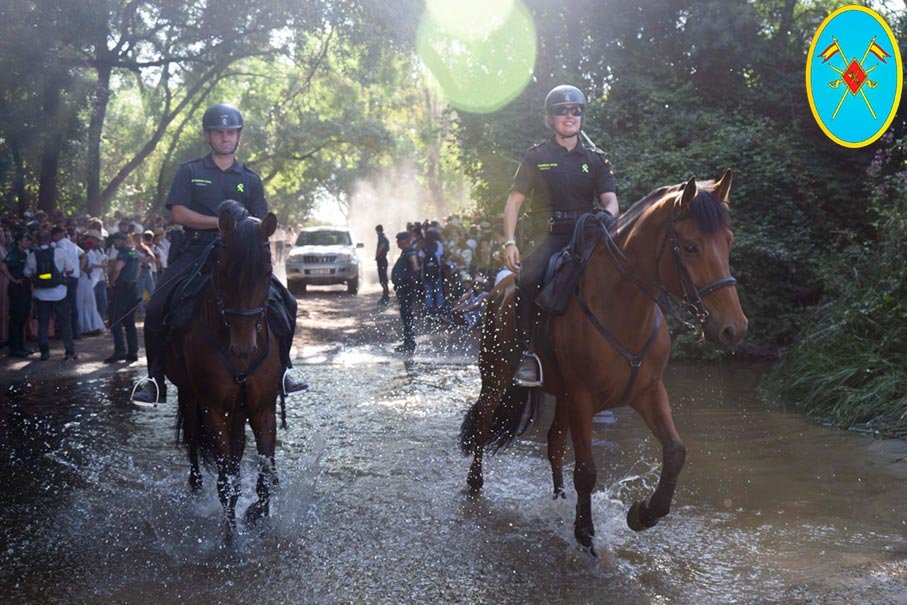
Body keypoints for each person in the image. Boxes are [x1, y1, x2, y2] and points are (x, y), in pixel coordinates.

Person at [131, 103, 306, 404]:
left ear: (238, 137)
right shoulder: (190, 171)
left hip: (238, 255)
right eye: (219, 132)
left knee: (287, 302)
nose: (225, 137)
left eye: (231, 132)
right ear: (208, 136)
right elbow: (179, 214)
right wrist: (222, 224)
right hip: (196, 249)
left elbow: (261, 222)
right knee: (158, 305)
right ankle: (154, 379)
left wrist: (239, 230)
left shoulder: (250, 178)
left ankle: (285, 371)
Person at [503, 85, 619, 387]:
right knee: (527, 280)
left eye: (576, 110)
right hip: (547, 235)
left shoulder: (596, 159)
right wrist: (510, 241)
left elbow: (610, 200)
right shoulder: (535, 156)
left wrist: (608, 215)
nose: (570, 115)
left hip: (587, 235)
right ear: (550, 118)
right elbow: (514, 202)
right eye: (562, 110)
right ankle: (528, 356)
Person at [24, 230, 76, 361]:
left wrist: (42, 276)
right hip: (60, 293)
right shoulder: (60, 252)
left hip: (41, 295)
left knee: (43, 324)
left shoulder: (32, 255)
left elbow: (27, 273)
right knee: (65, 324)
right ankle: (69, 351)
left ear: (37, 240)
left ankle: (45, 353)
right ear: (51, 239)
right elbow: (70, 270)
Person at [104, 232, 140, 363]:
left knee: (114, 320)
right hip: (132, 288)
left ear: (124, 241)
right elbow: (139, 268)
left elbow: (117, 268)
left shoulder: (124, 252)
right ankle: (133, 352)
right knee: (129, 321)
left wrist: (112, 282)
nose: (115, 244)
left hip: (122, 289)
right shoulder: (133, 252)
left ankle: (120, 351)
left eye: (117, 241)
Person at [2, 231, 34, 357]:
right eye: (26, 240)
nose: (29, 242)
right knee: (16, 317)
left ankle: (21, 345)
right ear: (19, 241)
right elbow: (3, 266)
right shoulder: (13, 253)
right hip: (17, 288)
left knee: (24, 317)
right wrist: (13, 280)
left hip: (25, 287)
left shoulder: (28, 252)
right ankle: (14, 348)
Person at [51, 226, 84, 338]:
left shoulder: (60, 244)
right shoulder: (71, 244)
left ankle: (64, 332)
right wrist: (80, 269)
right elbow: (84, 255)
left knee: (63, 304)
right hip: (75, 276)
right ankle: (75, 332)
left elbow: (63, 259)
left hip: (66, 276)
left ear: (56, 235)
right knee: (73, 304)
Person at [390, 231, 421, 353]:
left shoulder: (410, 252)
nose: (397, 242)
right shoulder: (405, 252)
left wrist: (415, 267)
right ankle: (408, 341)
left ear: (406, 241)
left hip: (406, 289)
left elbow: (415, 263)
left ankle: (409, 343)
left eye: (399, 240)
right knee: (405, 315)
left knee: (407, 315)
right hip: (403, 289)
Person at [374, 224, 390, 305]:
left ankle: (386, 296)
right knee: (383, 278)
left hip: (382, 260)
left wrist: (377, 255)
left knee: (383, 278)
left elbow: (382, 246)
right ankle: (385, 295)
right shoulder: (383, 237)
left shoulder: (382, 238)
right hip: (382, 260)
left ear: (378, 230)